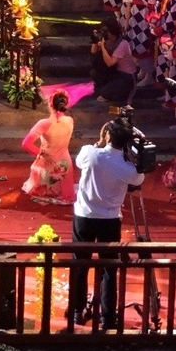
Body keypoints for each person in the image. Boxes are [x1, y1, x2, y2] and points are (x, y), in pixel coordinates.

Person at [68, 117, 145, 329]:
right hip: (109, 220)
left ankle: (76, 311)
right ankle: (107, 317)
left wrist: (100, 143)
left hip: (84, 216)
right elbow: (139, 180)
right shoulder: (128, 168)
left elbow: (79, 160)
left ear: (108, 135)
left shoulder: (91, 154)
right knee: (109, 268)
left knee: (80, 263)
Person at [20, 90, 77, 204]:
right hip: (65, 164)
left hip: (48, 164)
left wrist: (41, 154)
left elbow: (26, 144)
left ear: (50, 104)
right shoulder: (70, 120)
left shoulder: (44, 123)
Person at [90, 24, 137, 108]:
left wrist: (103, 48)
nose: (105, 35)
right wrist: (95, 40)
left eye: (106, 32)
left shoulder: (122, 44)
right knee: (94, 73)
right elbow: (93, 51)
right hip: (116, 72)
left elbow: (110, 63)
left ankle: (117, 93)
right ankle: (110, 89)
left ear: (112, 34)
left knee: (104, 93)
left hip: (127, 76)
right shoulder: (108, 41)